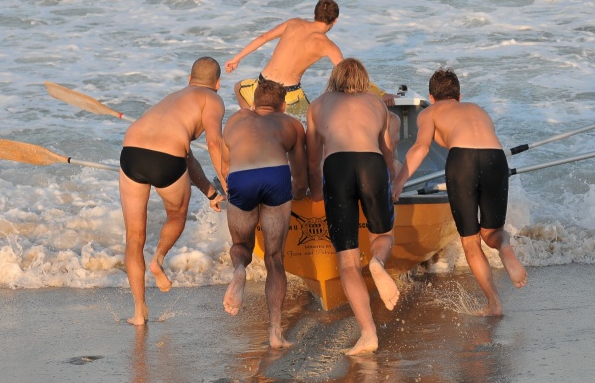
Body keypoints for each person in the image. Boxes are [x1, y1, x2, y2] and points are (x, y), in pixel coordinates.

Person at [391, 68, 527, 317]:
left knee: (471, 241)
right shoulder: (478, 110)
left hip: (462, 162)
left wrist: (398, 183)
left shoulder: (430, 112)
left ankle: (494, 304)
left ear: (431, 98)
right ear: (459, 96)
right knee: (492, 233)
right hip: (495, 159)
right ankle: (505, 248)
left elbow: (421, 148)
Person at [119, 57, 226, 326]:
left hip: (131, 153)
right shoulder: (212, 99)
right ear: (217, 83)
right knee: (176, 215)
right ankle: (158, 259)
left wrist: (212, 193)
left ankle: (139, 311)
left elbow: (187, 157)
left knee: (134, 236)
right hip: (167, 158)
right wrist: (228, 183)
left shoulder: (171, 98)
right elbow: (214, 143)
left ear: (189, 80)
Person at [306, 58, 399, 356]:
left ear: (334, 78)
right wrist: (390, 181)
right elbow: (387, 152)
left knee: (347, 262)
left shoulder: (318, 105)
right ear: (363, 79)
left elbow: (312, 159)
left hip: (337, 167)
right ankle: (377, 263)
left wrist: (316, 193)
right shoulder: (377, 104)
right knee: (382, 235)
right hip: (371, 163)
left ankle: (368, 333)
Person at [218, 79, 308, 349]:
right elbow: (300, 176)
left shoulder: (235, 121)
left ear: (254, 102)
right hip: (275, 176)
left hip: (241, 178)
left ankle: (239, 271)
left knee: (240, 245)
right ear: (283, 105)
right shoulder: (291, 124)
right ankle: (275, 332)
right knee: (274, 257)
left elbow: (225, 168)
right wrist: (299, 196)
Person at [224, 0, 342, 117]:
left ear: (315, 14)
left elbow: (263, 37)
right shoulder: (329, 46)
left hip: (262, 85)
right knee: (311, 120)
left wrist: (236, 59)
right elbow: (346, 73)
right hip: (289, 95)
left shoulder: (293, 23)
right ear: (335, 20)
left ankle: (252, 119)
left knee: (239, 87)